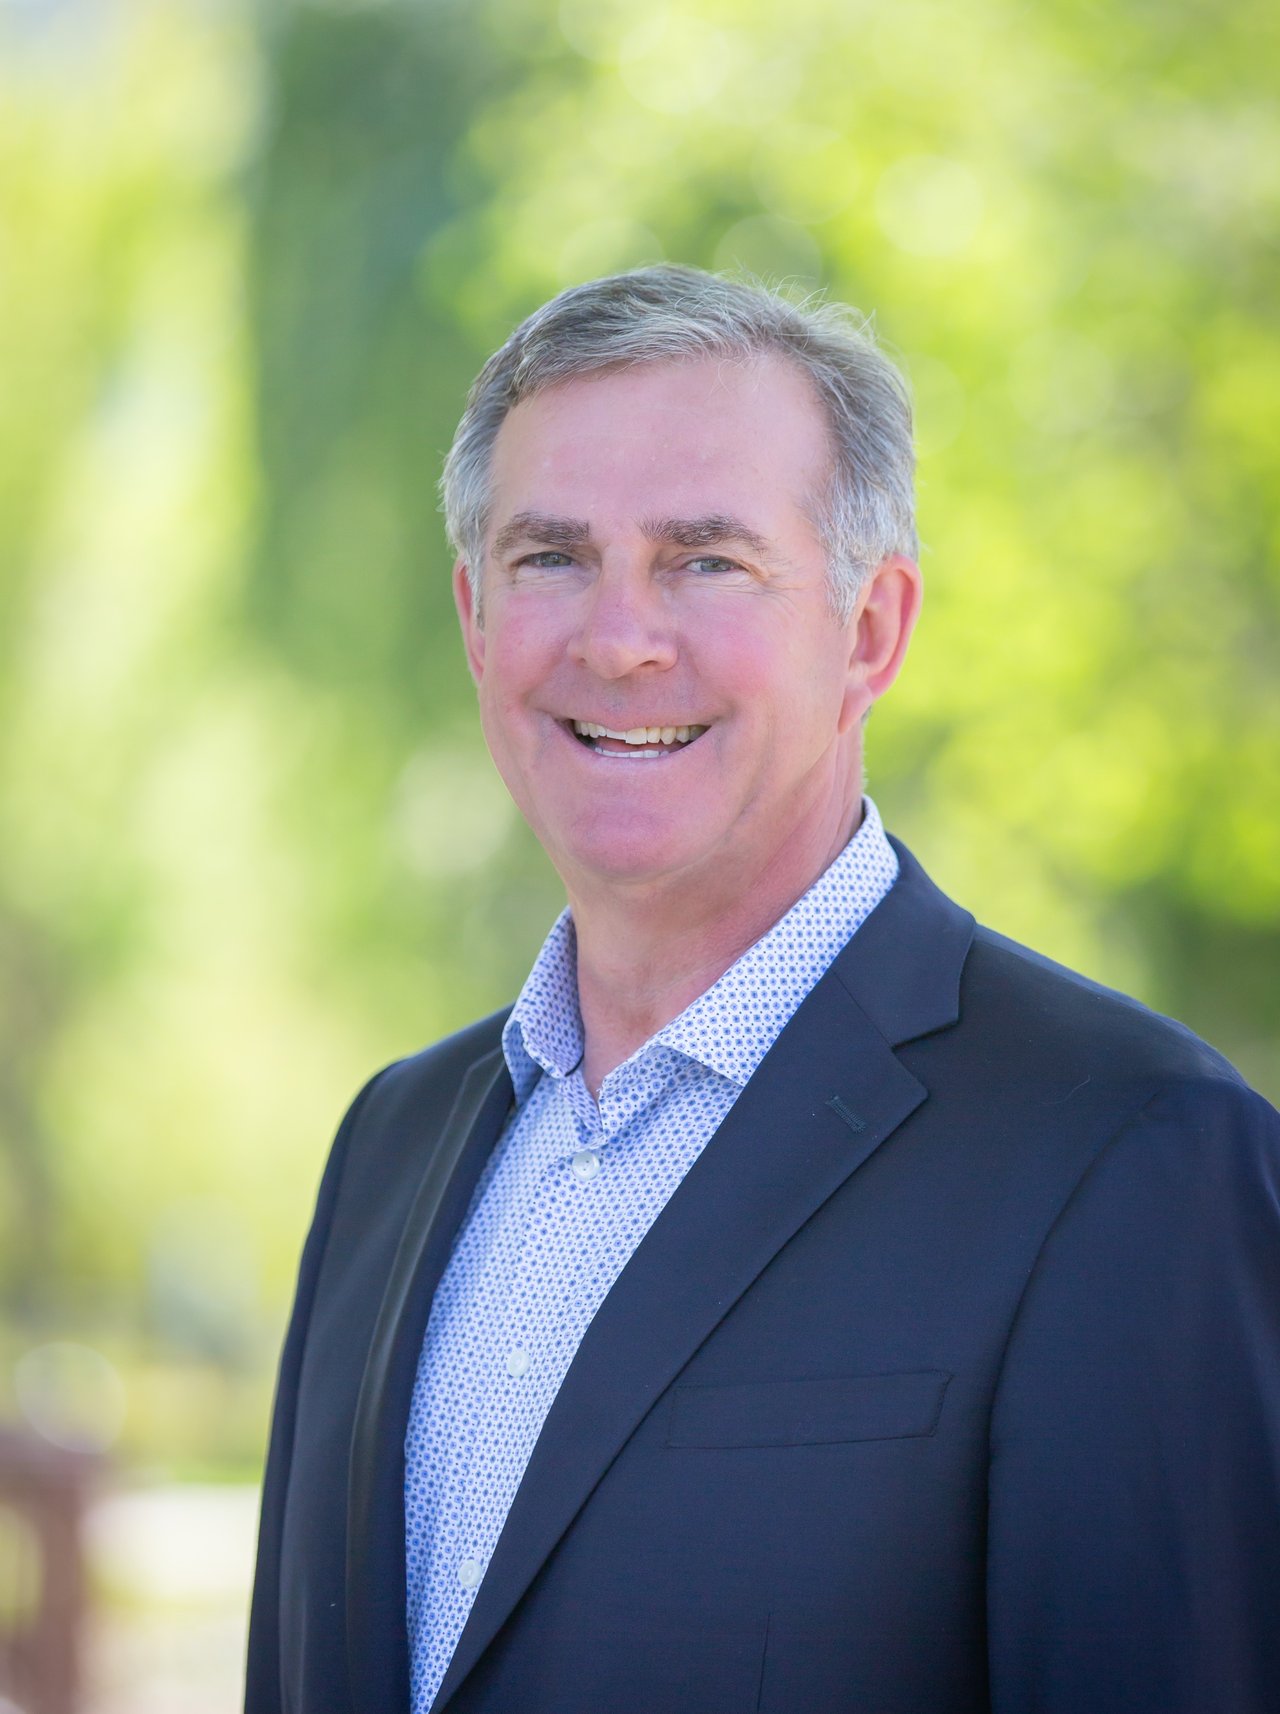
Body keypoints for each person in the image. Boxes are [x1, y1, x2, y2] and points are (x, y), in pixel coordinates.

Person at [245, 266, 1280, 1714]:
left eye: (706, 561)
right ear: (476, 617)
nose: (619, 637)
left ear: (871, 629)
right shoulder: (389, 1147)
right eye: (551, 558)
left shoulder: (1130, 1154)